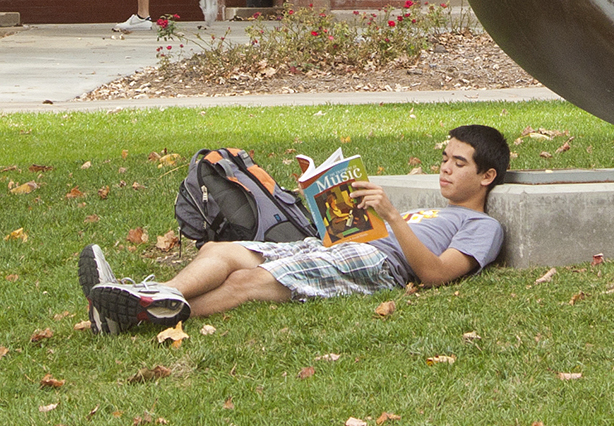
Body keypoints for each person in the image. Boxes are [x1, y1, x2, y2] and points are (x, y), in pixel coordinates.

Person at [78, 125, 511, 332]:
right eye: (444, 159)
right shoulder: (434, 210)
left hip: (379, 265)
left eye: (459, 163)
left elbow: (435, 274)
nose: (445, 170)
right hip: (343, 246)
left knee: (248, 279)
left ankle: (138, 317)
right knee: (221, 253)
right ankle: (156, 296)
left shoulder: (482, 225)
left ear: (487, 176)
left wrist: (393, 217)